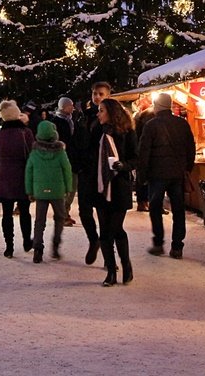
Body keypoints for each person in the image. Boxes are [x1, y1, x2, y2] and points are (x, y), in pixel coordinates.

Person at [138, 92, 197, 259]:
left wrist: (142, 175)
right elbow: (190, 148)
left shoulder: (151, 125)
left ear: (158, 106)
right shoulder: (182, 124)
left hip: (157, 174)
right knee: (179, 209)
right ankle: (177, 246)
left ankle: (158, 243)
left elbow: (144, 152)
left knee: (155, 208)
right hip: (177, 174)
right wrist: (187, 168)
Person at [93, 98, 137, 286]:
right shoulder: (96, 131)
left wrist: (124, 166)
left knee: (116, 228)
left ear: (111, 112)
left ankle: (126, 265)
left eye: (101, 110)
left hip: (119, 187)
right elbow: (89, 157)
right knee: (104, 231)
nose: (98, 114)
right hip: (101, 187)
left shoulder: (127, 132)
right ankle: (110, 271)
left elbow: (136, 158)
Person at [71, 81, 112, 264]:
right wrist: (77, 164)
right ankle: (93, 240)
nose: (97, 97)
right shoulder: (85, 116)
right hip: (86, 170)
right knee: (84, 211)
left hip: (103, 172)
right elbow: (77, 142)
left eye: (101, 94)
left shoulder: (112, 118)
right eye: (95, 93)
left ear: (108, 95)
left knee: (104, 214)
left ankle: (108, 256)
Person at [0, 99, 35, 258]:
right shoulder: (26, 133)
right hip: (22, 174)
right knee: (24, 211)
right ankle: (26, 241)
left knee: (7, 213)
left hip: (4, 175)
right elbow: (32, 153)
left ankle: (9, 246)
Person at [25, 120, 73, 262]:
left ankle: (38, 248)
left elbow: (29, 172)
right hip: (58, 191)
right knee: (59, 218)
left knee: (40, 221)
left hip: (40, 191)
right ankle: (56, 245)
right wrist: (68, 188)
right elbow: (67, 170)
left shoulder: (34, 153)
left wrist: (29, 191)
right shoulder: (60, 152)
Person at [52, 97, 78, 226]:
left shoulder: (72, 120)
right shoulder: (57, 122)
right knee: (65, 188)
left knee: (72, 187)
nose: (73, 107)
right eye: (71, 105)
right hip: (62, 159)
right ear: (64, 107)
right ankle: (62, 215)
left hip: (72, 158)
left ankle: (65, 212)